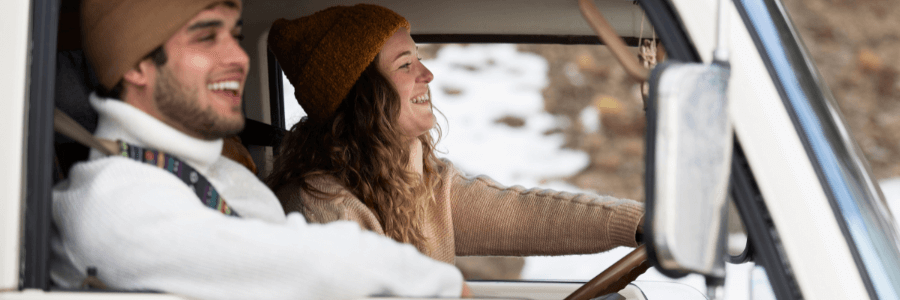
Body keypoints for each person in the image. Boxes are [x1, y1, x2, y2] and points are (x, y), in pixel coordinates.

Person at [51, 1, 468, 299]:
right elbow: (301, 264)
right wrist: (439, 283)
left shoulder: (223, 176)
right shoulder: (113, 201)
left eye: (235, 36)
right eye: (206, 37)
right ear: (136, 65)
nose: (238, 57)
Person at [266, 4, 645, 265]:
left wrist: (640, 224)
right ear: (363, 96)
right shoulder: (321, 209)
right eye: (405, 64)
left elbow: (519, 215)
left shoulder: (417, 181)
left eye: (418, 56)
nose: (426, 74)